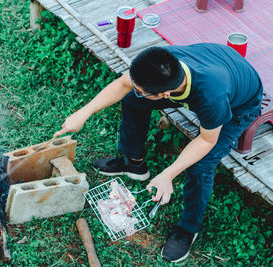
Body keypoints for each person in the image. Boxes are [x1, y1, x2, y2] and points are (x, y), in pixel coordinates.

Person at [54, 43, 263, 263]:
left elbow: (206, 140)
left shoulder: (211, 96)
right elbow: (125, 83)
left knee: (201, 164)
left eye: (144, 90)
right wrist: (84, 112)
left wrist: (168, 174)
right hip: (219, 61)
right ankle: (133, 163)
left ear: (165, 94)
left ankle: (188, 229)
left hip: (241, 103)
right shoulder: (163, 62)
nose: (137, 89)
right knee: (133, 98)